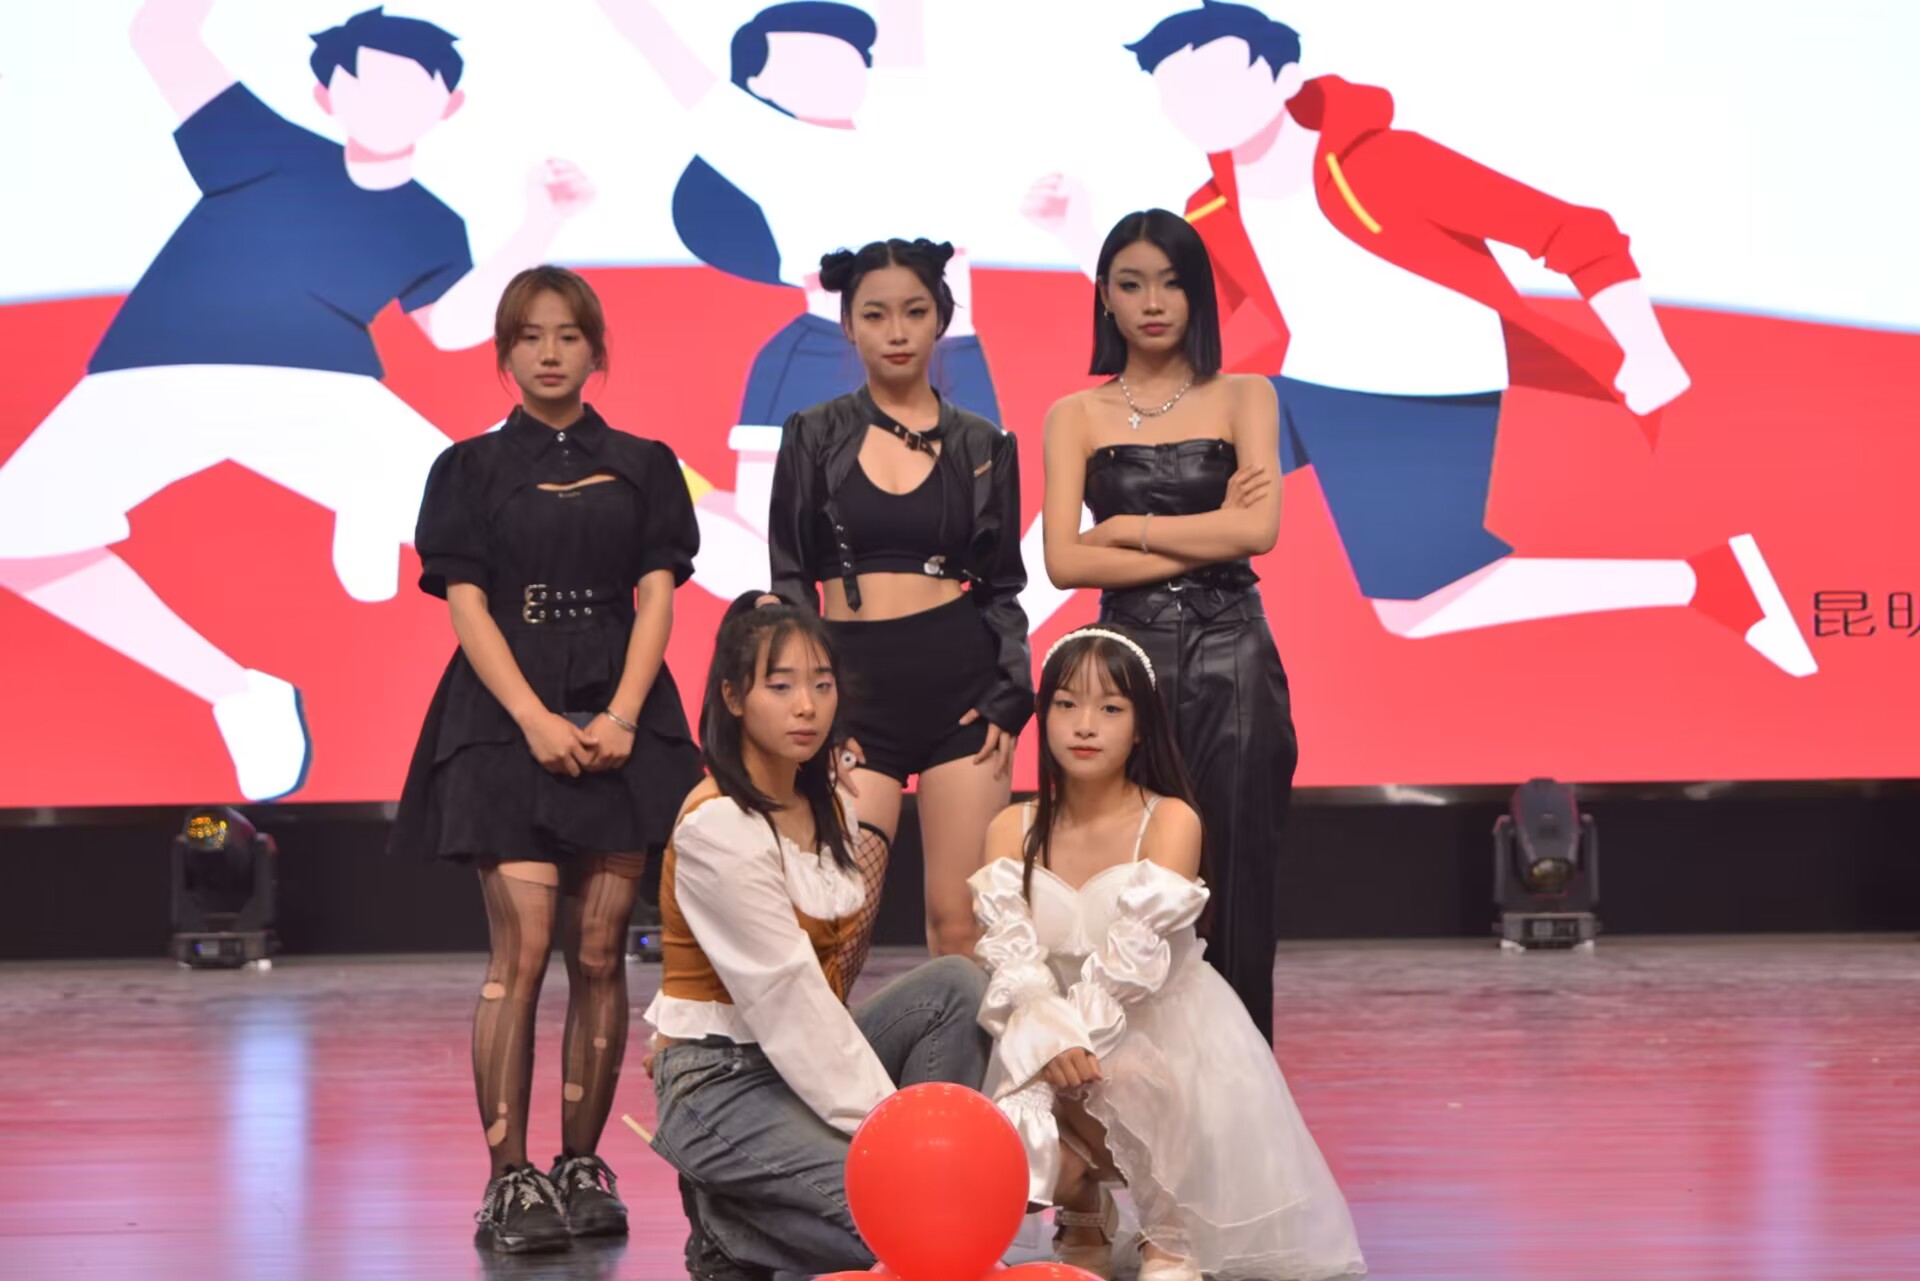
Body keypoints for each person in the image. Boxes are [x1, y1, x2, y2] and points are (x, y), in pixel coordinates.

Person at [1023, 0, 1814, 677]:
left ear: (1284, 78)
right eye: (1176, 90)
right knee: (1124, 452)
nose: (1197, 103)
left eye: (1217, 80)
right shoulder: (1210, 206)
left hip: (1424, 395)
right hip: (1302, 385)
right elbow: (1184, 311)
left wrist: (1645, 344)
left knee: (1415, 610)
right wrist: (1079, 234)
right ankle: (1006, 611)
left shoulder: (1384, 164)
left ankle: (1703, 582)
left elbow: (1573, 231)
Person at [0, 2, 596, 802]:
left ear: (448, 104)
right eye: (365, 83)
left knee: (481, 519)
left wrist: (540, 224)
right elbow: (159, 34)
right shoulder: (259, 145)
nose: (385, 101)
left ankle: (372, 495)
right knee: (19, 533)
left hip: (316, 388)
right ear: (326, 96)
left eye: (409, 87)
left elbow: (451, 326)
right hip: (156, 370)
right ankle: (238, 691)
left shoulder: (429, 219)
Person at [390, 266, 703, 1253]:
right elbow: (467, 604)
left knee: (602, 952)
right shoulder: (467, 469)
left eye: (569, 335)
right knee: (520, 955)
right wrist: (531, 718)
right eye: (530, 336)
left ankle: (580, 1163)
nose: (551, 352)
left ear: (595, 348)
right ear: (505, 352)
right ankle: (508, 1179)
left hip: (621, 711)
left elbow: (658, 595)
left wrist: (622, 714)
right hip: (503, 723)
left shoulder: (646, 464)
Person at [972, 627, 1366, 1281]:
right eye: (1066, 704)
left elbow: (1131, 965)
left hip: (1156, 1026)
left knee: (1133, 1071)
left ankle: (1170, 1230)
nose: (1085, 725)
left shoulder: (1171, 819)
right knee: (1016, 1125)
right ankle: (1083, 1207)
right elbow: (1011, 958)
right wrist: (1045, 1042)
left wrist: (1066, 1043)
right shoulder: (1009, 827)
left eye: (1110, 707)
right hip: (1049, 1032)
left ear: (1141, 727)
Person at [646, 592, 991, 1280]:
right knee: (915, 1231)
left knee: (957, 984)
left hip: (796, 1065)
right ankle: (730, 1229)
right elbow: (790, 1003)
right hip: (719, 1082)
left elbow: (821, 1007)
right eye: (780, 687)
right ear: (733, 697)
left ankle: (891, 1186)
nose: (806, 706)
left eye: (822, 684)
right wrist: (899, 1145)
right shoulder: (719, 825)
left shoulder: (830, 801)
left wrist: (935, 1156)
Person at [1040, 209, 1291, 1042]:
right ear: (1104, 296)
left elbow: (1257, 532)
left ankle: (1243, 1079)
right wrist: (1205, 528)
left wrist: (1124, 530)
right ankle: (1126, 1083)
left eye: (1173, 283)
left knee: (1237, 876)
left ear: (1199, 295)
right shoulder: (1075, 414)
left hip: (1234, 655)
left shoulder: (1247, 395)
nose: (1153, 303)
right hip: (1127, 667)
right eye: (1132, 283)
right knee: (1131, 881)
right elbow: (1065, 562)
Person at [767, 237, 1032, 971]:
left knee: (962, 926)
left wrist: (1011, 690)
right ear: (848, 325)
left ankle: (961, 1057)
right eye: (875, 314)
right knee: (837, 926)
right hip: (853, 694)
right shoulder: (812, 434)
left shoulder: (982, 442)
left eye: (914, 312)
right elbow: (791, 582)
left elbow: (1002, 586)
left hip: (962, 691)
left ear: (940, 319)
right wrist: (812, 705)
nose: (896, 331)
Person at [593, 0, 1002, 425]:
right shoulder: (769, 148)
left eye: (844, 56)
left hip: (949, 348)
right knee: (787, 467)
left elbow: (902, 20)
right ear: (759, 83)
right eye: (805, 60)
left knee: (977, 464)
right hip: (831, 353)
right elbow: (659, 45)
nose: (832, 69)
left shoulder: (903, 118)